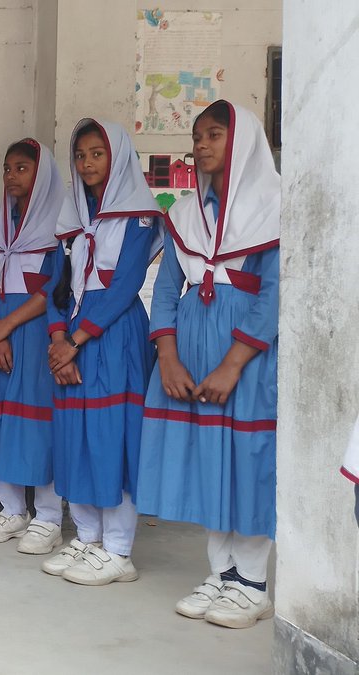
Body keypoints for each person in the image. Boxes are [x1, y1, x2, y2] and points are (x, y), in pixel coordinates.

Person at [136, 101, 280, 628]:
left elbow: (273, 296)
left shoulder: (275, 206)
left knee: (248, 460)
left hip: (245, 356)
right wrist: (168, 356)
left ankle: (253, 583)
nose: (201, 145)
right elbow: (168, 289)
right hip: (190, 353)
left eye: (214, 134)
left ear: (240, 142)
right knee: (207, 459)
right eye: (197, 136)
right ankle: (220, 574)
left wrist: (234, 364)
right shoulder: (184, 214)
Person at [40, 119, 163, 586]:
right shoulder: (71, 220)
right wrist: (57, 338)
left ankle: (118, 550)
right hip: (72, 332)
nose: (87, 163)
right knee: (77, 436)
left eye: (98, 154)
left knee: (114, 436)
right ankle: (88, 536)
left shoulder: (138, 215)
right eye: (81, 155)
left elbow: (125, 285)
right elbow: (55, 285)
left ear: (118, 158)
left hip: (113, 334)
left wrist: (73, 341)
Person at [0, 139, 65, 555]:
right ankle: (12, 510)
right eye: (7, 168)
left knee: (37, 422)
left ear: (41, 174)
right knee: (0, 420)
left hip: (35, 332)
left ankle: (48, 517)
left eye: (22, 168)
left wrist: (4, 326)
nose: (11, 175)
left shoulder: (59, 226)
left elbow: (52, 290)